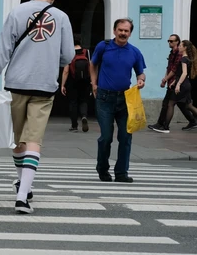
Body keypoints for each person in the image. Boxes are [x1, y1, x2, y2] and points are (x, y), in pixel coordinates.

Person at [0, 0, 75, 214]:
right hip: (44, 86)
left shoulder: (16, 13)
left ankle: (23, 187)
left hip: (17, 83)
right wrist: (52, 60)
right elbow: (68, 56)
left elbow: (3, 51)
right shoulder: (61, 17)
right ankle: (23, 195)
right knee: (34, 139)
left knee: (18, 140)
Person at [90, 18, 146, 183]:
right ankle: (102, 169)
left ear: (130, 33)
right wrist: (94, 83)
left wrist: (141, 80)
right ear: (114, 31)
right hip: (104, 98)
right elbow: (92, 64)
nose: (123, 33)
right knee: (106, 137)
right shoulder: (104, 46)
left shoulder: (135, 52)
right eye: (120, 30)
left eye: (126, 31)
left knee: (126, 137)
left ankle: (121, 173)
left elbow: (140, 72)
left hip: (126, 99)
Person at [149, 34, 184, 133]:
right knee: (181, 105)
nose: (169, 43)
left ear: (177, 42)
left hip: (175, 82)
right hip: (170, 81)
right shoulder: (171, 53)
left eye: (171, 41)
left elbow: (174, 69)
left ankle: (163, 125)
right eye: (168, 41)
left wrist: (165, 80)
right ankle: (161, 124)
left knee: (168, 104)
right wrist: (165, 79)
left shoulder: (179, 54)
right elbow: (168, 68)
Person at [61, 35, 93, 133]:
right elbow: (91, 67)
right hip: (85, 81)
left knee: (73, 102)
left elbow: (66, 70)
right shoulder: (86, 52)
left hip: (72, 81)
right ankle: (84, 116)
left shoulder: (69, 53)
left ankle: (74, 126)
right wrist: (92, 81)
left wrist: (62, 84)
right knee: (83, 101)